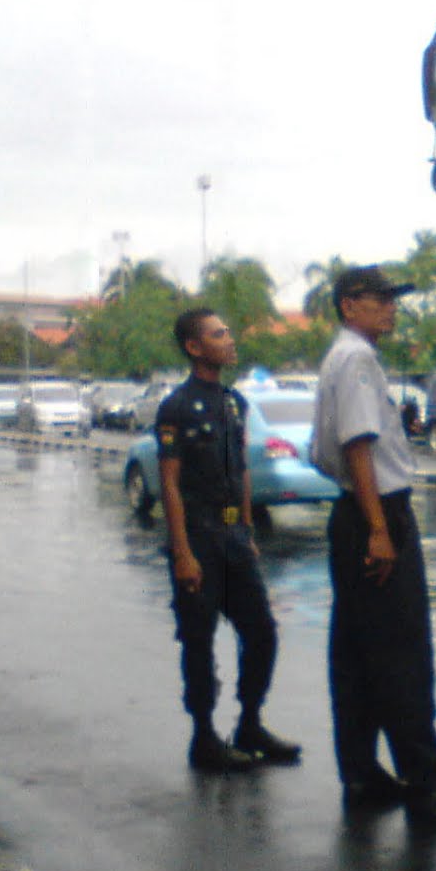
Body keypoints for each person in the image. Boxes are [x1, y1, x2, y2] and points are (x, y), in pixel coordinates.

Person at [310, 265, 436, 829]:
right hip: (375, 511)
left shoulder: (342, 356)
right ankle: (425, 787)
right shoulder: (355, 359)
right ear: (349, 306)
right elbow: (358, 445)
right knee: (402, 656)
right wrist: (380, 529)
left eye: (392, 299)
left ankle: (360, 774)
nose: (391, 307)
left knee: (356, 655)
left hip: (354, 512)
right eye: (379, 299)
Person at [155, 308, 301, 773]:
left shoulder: (234, 402)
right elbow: (170, 483)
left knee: (261, 630)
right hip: (197, 538)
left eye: (228, 331)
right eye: (219, 334)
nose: (230, 339)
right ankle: (204, 737)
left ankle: (250, 724)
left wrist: (247, 531)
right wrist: (182, 552)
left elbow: (238, 467)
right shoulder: (176, 406)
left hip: (233, 537)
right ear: (195, 347)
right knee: (198, 642)